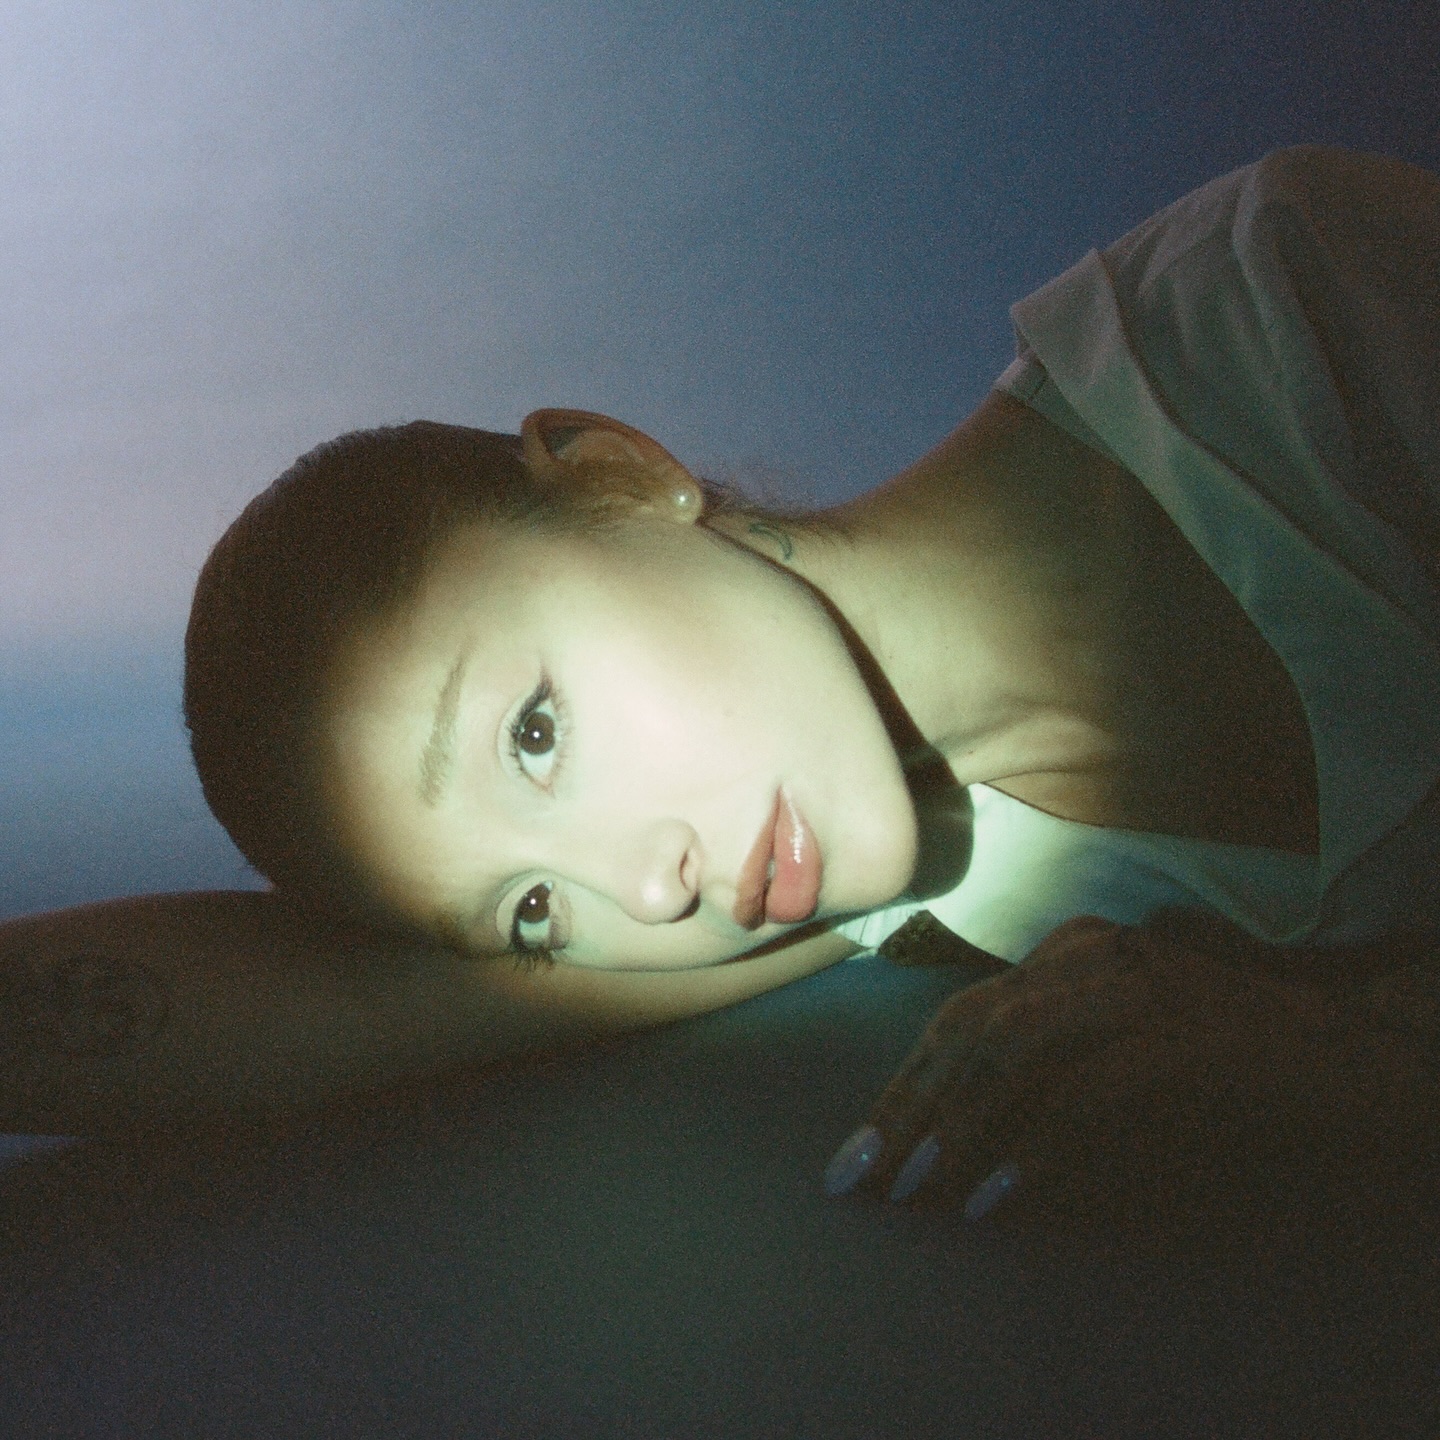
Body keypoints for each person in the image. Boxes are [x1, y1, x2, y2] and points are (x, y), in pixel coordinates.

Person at [3, 145, 1437, 1210]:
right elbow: (331, 1005)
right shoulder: (901, 892)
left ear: (619, 477)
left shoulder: (1297, 308)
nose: (647, 892)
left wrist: (1356, 1055)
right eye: (534, 913)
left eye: (536, 734)